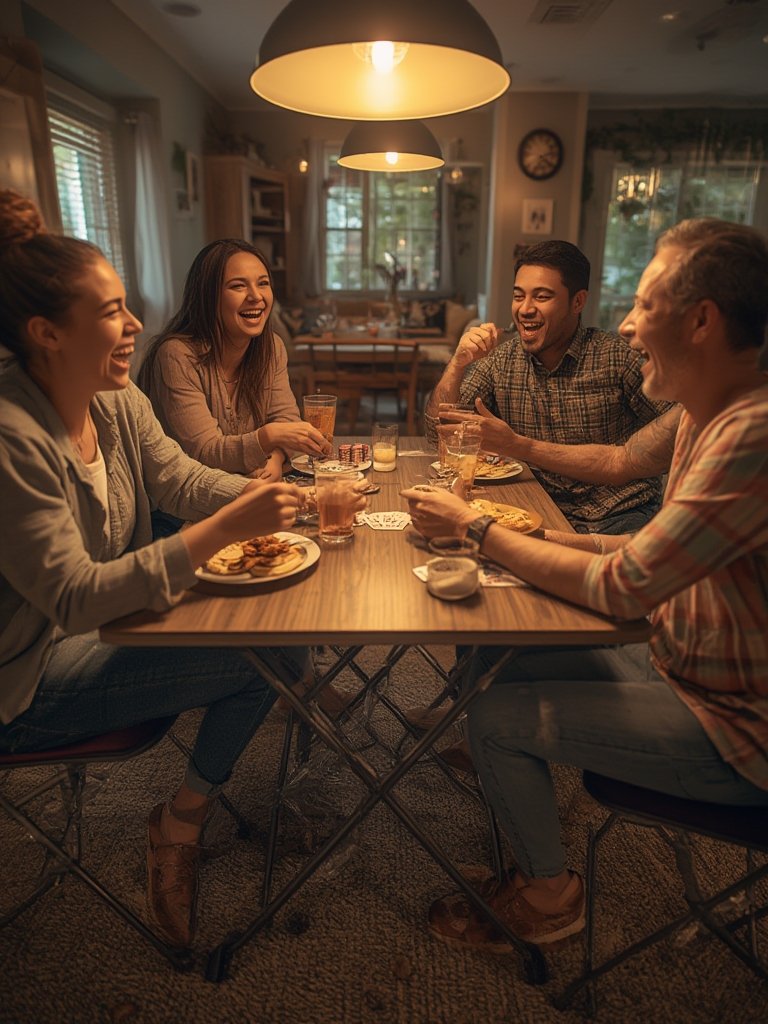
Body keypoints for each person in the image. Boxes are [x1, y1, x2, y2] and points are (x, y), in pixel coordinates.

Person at [0, 191, 355, 950]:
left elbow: (179, 478)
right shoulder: (12, 437)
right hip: (23, 678)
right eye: (112, 311)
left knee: (275, 633)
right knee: (267, 658)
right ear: (45, 333)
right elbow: (71, 595)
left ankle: (184, 812)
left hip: (109, 621)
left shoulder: (115, 392)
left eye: (129, 306)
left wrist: (285, 500)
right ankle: (179, 823)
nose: (135, 324)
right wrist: (227, 525)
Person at [404, 218, 768, 949]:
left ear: (701, 321)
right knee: (495, 652)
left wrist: (480, 532)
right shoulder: (707, 413)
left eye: (644, 305)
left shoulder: (751, 435)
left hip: (739, 727)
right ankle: (518, 817)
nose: (630, 329)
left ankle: (548, 898)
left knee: (497, 719)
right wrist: (547, 537)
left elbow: (626, 589)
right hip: (674, 660)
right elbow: (650, 548)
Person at [424, 240, 673, 535]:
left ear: (578, 302)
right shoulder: (502, 361)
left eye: (542, 296)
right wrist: (458, 362)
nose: (526, 309)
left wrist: (630, 458)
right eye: (518, 296)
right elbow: (436, 433)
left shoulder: (617, 357)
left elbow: (684, 422)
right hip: (535, 510)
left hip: (619, 516)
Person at [138, 238, 331, 483]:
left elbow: (287, 421)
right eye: (238, 286)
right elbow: (203, 452)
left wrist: (274, 458)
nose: (256, 296)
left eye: (263, 284)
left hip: (253, 490)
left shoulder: (271, 348)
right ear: (208, 297)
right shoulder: (176, 355)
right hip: (185, 511)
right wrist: (268, 437)